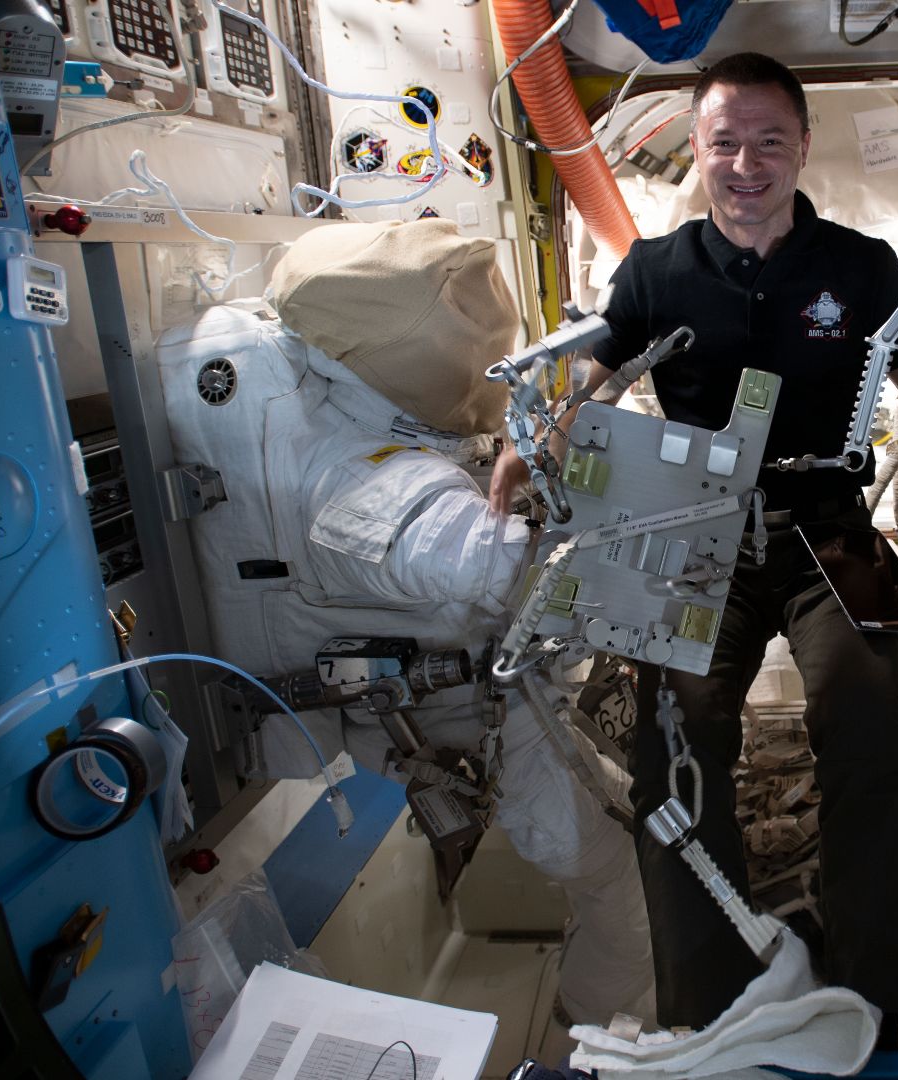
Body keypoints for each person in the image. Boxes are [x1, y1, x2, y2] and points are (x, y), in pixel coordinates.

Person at [491, 51, 898, 1040]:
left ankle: (877, 998)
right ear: (697, 150)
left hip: (832, 529)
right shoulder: (655, 272)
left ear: (803, 148)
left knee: (868, 725)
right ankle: (716, 1010)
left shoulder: (861, 267)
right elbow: (582, 391)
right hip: (693, 535)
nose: (745, 164)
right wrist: (527, 452)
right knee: (673, 742)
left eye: (768, 142)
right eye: (724, 143)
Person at [155, 219, 654, 1026]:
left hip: (459, 677)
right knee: (616, 868)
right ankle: (600, 1034)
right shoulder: (358, 485)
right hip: (474, 711)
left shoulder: (296, 381)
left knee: (622, 824)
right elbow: (498, 571)